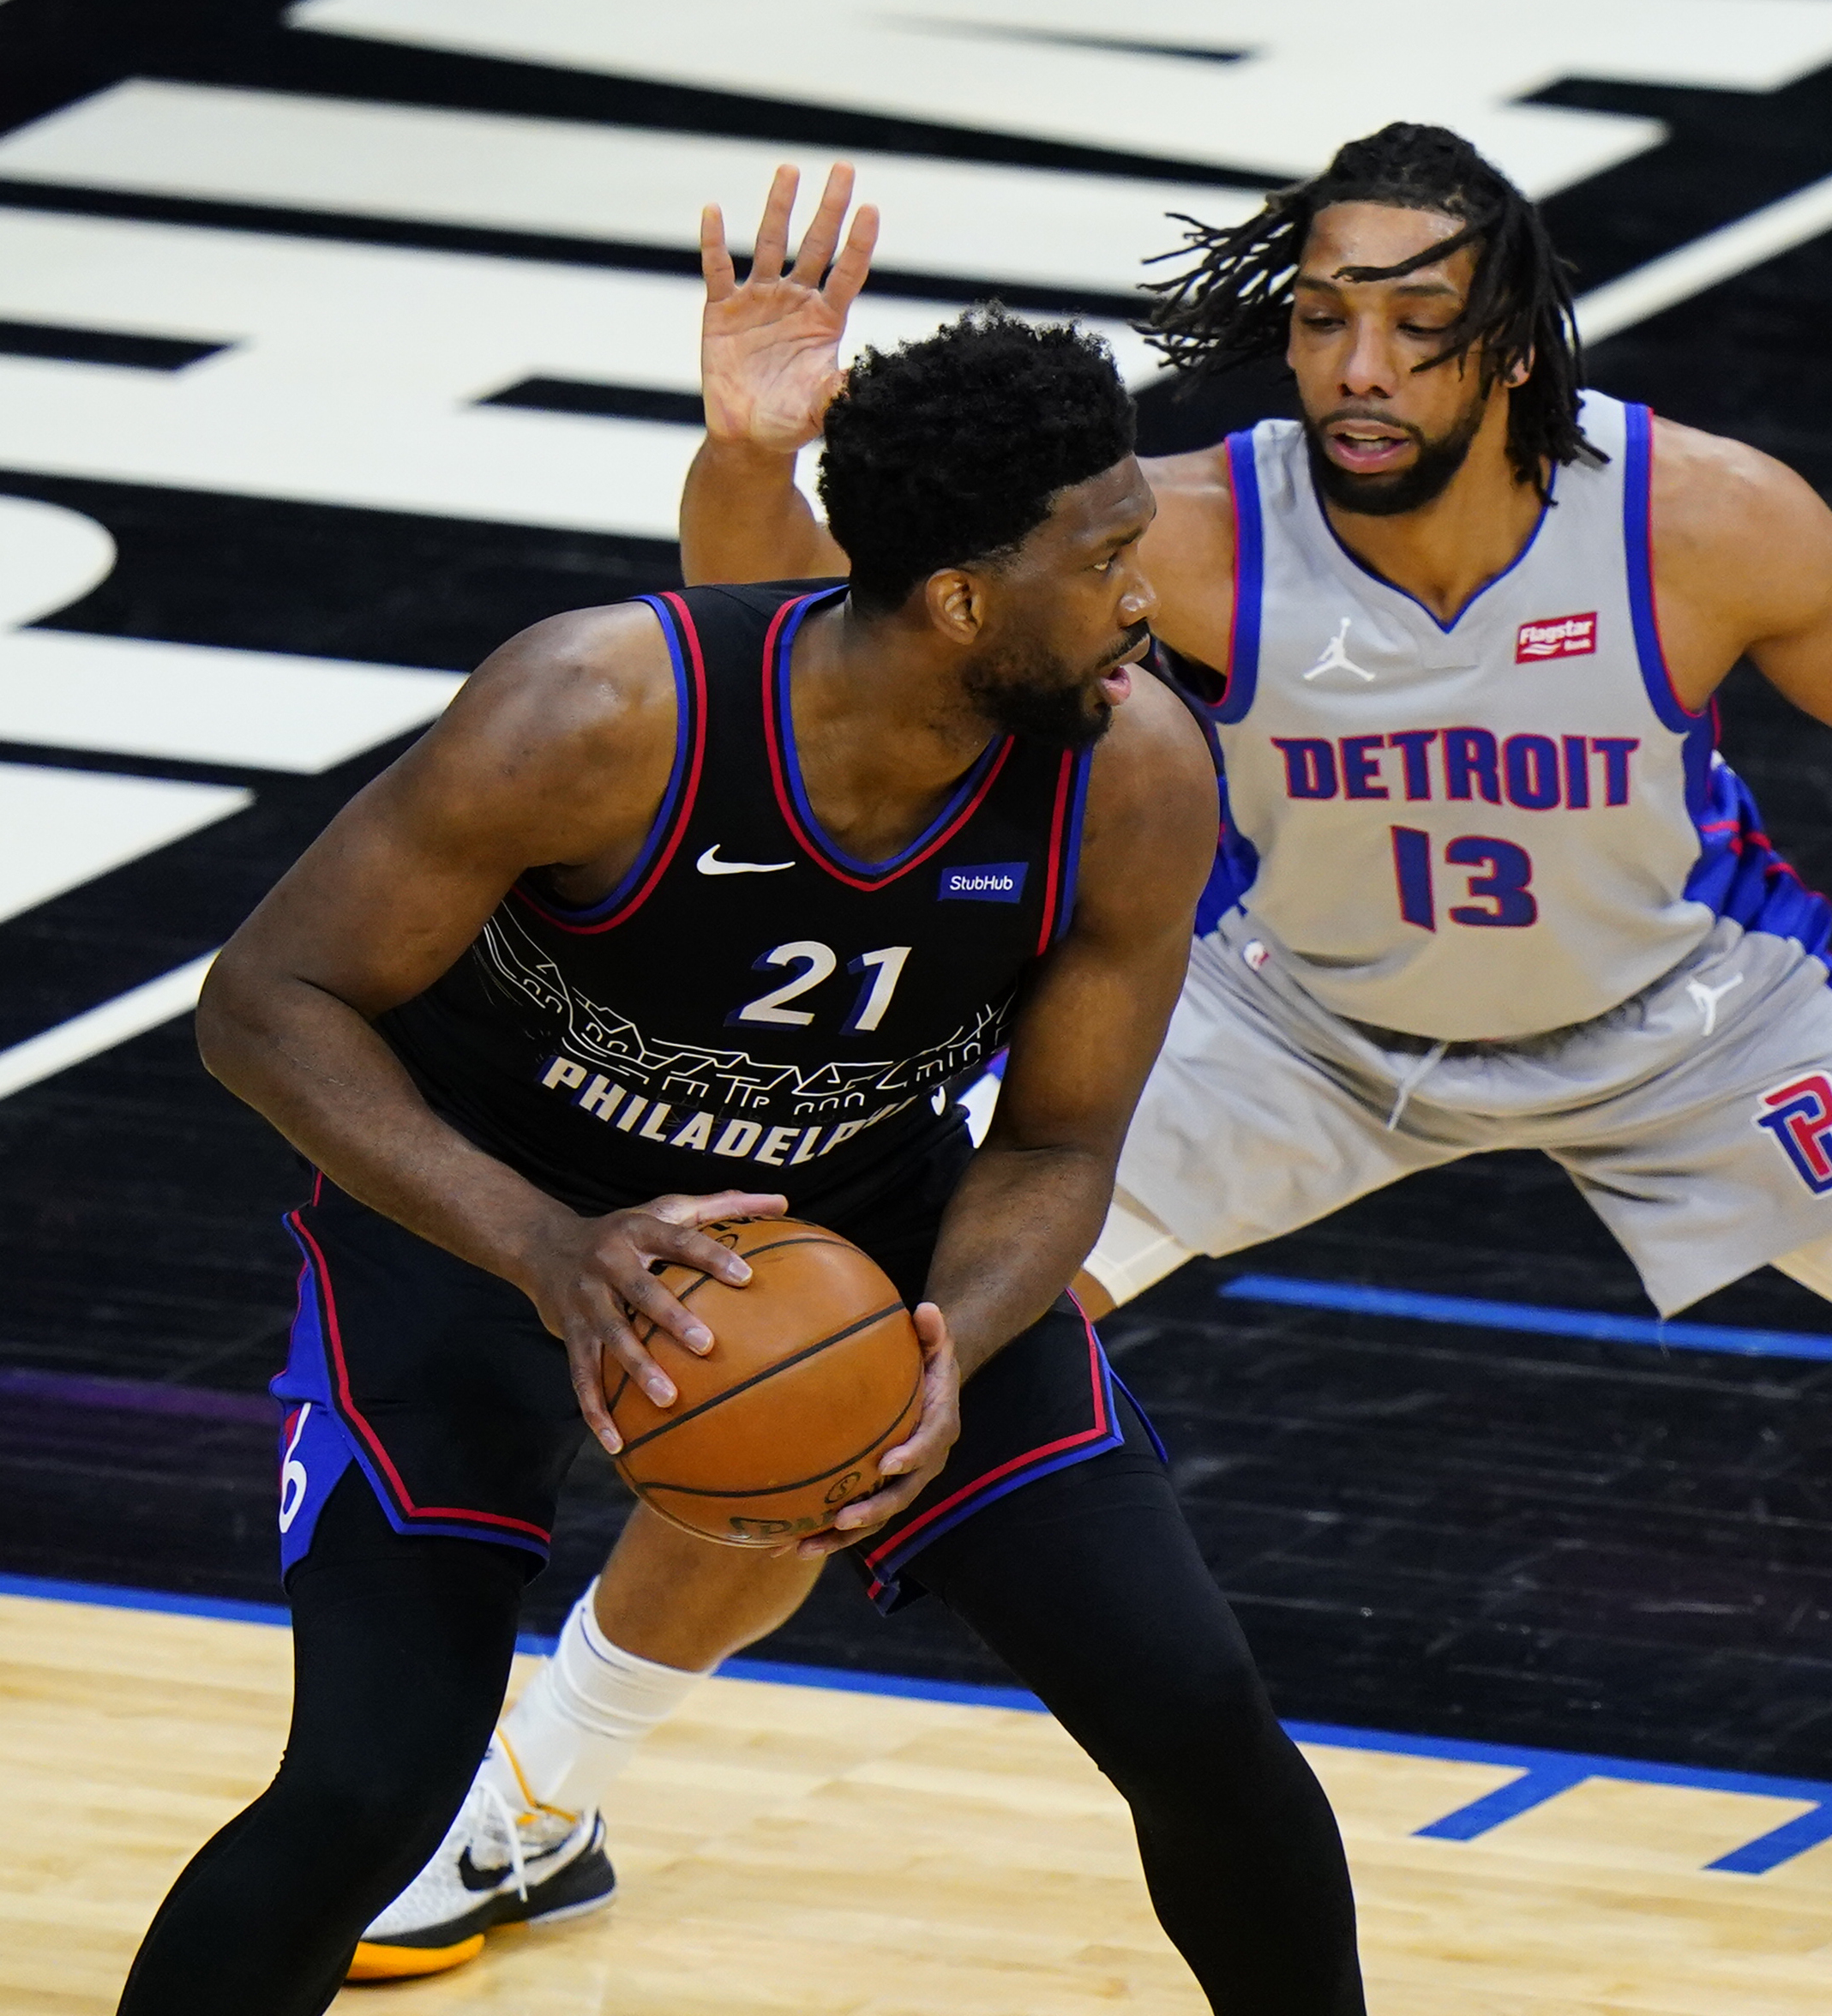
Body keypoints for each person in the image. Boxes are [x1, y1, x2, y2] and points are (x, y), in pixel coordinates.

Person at [367, 125, 1832, 1977]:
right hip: (1288, 1020)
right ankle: (540, 1791)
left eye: (1413, 322)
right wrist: (749, 453)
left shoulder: (1703, 517)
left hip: (1696, 1017)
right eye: (1321, 314)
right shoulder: (1187, 529)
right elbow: (800, 637)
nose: (1354, 364)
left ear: (1517, 342)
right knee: (850, 1372)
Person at [119, 308, 1365, 2016]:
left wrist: (946, 1342)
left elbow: (1059, 1139)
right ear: (961, 600)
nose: (1145, 601)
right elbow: (266, 1003)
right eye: (1104, 559)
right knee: (366, 1792)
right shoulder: (597, 711)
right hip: (478, 1231)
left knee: (1196, 1711)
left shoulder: (1131, 773)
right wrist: (547, 1245)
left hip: (868, 1223)